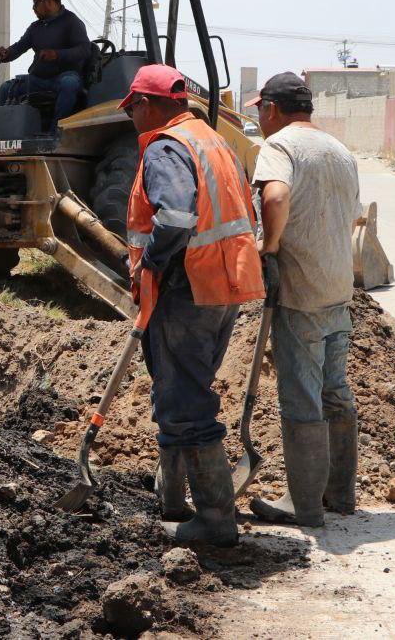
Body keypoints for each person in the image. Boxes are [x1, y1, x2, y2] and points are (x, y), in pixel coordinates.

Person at [121, 64, 265, 547]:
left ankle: (215, 519)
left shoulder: (166, 147)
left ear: (147, 103)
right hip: (222, 282)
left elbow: (178, 215)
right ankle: (174, 501)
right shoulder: (214, 140)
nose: (132, 117)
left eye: (133, 108)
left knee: (185, 401)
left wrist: (150, 265)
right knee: (179, 388)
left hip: (187, 286)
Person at [245, 72, 361, 528]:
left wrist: (268, 248)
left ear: (272, 109)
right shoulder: (340, 150)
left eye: (259, 109)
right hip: (337, 289)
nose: (257, 117)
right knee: (336, 392)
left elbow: (275, 195)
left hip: (301, 293)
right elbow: (352, 219)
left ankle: (306, 505)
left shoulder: (279, 147)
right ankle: (340, 495)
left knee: (301, 399)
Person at [0, 0, 92, 121]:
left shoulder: (72, 22)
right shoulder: (35, 28)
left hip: (63, 77)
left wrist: (57, 55)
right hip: (38, 79)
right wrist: (6, 54)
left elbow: (85, 50)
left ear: (49, 2)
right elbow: (19, 47)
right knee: (6, 88)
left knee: (69, 84)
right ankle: (3, 131)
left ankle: (57, 130)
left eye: (36, 3)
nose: (33, 8)